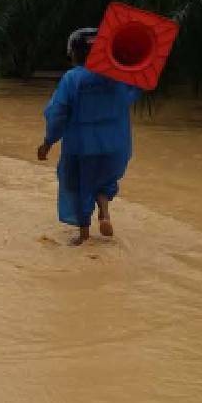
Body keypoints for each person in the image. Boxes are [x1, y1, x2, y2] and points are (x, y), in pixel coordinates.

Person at [37, 28, 142, 246]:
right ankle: (104, 213)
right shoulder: (118, 77)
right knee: (104, 181)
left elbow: (58, 113)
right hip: (116, 144)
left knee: (78, 184)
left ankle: (84, 235)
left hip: (82, 145)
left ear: (75, 53)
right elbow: (135, 89)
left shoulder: (73, 78)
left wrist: (47, 142)